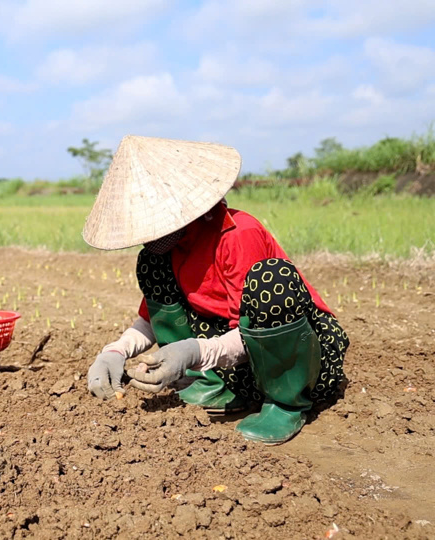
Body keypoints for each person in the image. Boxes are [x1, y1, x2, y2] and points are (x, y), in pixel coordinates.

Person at [84, 135, 348, 445]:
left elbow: (251, 329)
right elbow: (151, 320)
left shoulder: (237, 235)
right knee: (150, 265)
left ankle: (286, 403)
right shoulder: (168, 252)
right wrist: (114, 352)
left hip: (298, 356)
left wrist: (194, 352)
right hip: (237, 361)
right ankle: (207, 384)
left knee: (270, 280)